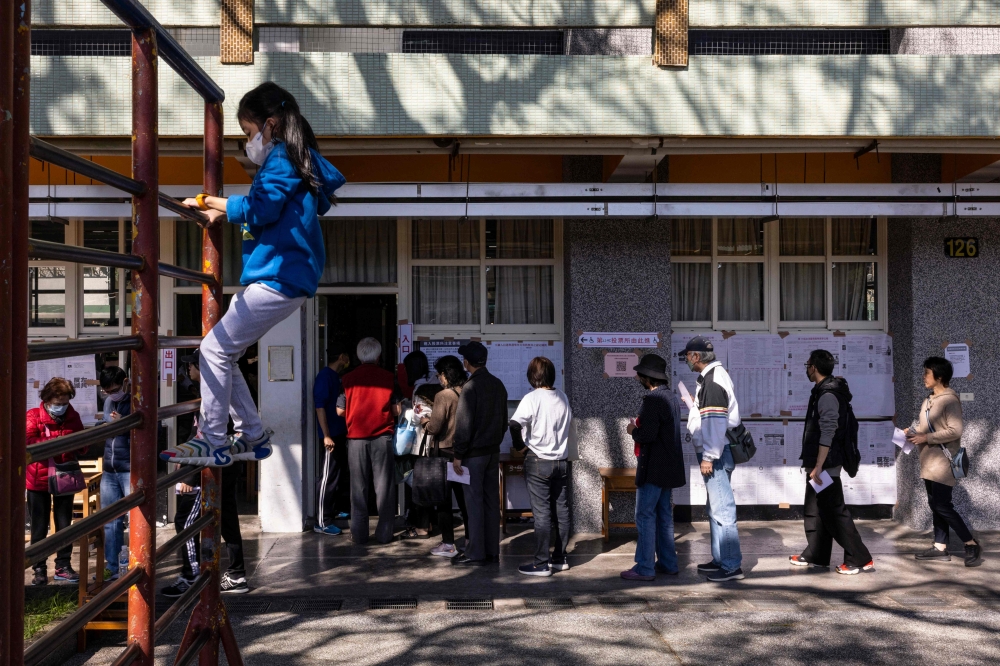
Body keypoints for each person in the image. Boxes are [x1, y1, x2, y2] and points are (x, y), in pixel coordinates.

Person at [162, 81, 346, 468]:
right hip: (282, 276)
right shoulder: (295, 160)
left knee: (212, 350)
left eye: (248, 132)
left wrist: (211, 201)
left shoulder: (283, 158)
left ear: (271, 125)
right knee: (223, 354)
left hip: (278, 276)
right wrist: (222, 210)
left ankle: (212, 438)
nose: (249, 142)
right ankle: (253, 433)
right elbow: (266, 210)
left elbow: (262, 208)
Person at [790, 349, 874, 575]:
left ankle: (860, 557)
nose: (806, 368)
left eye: (807, 364)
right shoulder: (824, 390)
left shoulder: (827, 395)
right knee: (816, 510)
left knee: (835, 512)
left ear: (813, 368)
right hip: (821, 465)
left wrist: (818, 466)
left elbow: (828, 432)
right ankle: (817, 553)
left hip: (825, 466)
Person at [906, 357, 981, 567]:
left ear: (939, 377)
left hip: (943, 463)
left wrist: (926, 438)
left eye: (926, 374)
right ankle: (940, 546)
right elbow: (925, 429)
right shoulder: (928, 400)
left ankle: (970, 542)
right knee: (935, 505)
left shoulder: (949, 400)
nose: (923, 377)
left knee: (942, 505)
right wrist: (911, 433)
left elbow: (955, 430)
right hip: (929, 461)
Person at [681, 336, 744, 582]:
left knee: (723, 508)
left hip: (716, 454)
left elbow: (716, 425)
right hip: (716, 452)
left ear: (696, 357)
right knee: (714, 507)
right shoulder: (710, 378)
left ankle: (731, 566)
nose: (686, 359)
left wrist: (708, 456)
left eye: (687, 355)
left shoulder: (713, 381)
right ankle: (720, 559)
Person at [622, 355, 686, 582]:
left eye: (640, 373)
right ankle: (668, 563)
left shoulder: (653, 400)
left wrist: (632, 430)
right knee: (664, 515)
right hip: (669, 468)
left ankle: (644, 567)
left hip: (653, 468)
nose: (637, 376)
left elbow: (646, 435)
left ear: (647, 377)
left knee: (644, 515)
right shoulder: (671, 397)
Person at [510, 357, 574, 577]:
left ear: (532, 376)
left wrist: (520, 447)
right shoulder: (563, 397)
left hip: (538, 460)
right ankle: (560, 558)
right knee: (562, 511)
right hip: (561, 462)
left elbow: (514, 424)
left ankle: (541, 563)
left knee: (542, 514)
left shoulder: (532, 398)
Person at [337, 337, 400, 544]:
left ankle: (359, 534)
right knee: (384, 488)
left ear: (358, 356)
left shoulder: (347, 378)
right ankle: (384, 534)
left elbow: (339, 410)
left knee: (358, 487)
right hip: (382, 438)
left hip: (356, 439)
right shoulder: (389, 377)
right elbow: (396, 409)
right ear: (379, 356)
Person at [451, 341, 508, 567]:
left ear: (466, 363)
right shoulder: (498, 384)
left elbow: (463, 426)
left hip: (473, 455)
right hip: (493, 452)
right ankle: (492, 551)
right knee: (491, 502)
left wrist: (458, 454)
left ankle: (475, 553)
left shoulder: (470, 388)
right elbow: (504, 422)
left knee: (474, 503)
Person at [26, 378, 86, 585]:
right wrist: (57, 442)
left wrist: (80, 445)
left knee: (64, 524)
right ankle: (39, 568)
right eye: (57, 402)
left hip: (64, 477)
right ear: (47, 399)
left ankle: (63, 565)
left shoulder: (73, 416)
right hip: (38, 478)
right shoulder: (33, 416)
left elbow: (82, 441)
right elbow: (27, 442)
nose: (61, 407)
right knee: (39, 526)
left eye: (65, 402)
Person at [422, 355, 470, 558]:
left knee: (443, 501)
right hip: (464, 452)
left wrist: (424, 420)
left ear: (444, 375)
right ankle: (470, 538)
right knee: (465, 499)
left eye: (439, 374)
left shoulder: (443, 396)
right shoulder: (468, 391)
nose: (438, 378)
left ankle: (449, 543)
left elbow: (434, 427)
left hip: (444, 453)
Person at [314, 342, 352, 536]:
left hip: (338, 433)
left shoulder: (336, 377)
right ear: (341, 357)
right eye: (347, 357)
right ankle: (322, 521)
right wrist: (326, 435)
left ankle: (334, 511)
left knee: (336, 475)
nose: (349, 360)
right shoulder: (324, 377)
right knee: (327, 477)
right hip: (330, 436)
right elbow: (319, 406)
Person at [99, 366, 131, 581]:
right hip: (109, 469)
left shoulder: (137, 401)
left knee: (137, 517)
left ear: (126, 382)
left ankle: (135, 562)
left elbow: (149, 432)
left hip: (130, 467)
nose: (111, 395)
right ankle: (112, 566)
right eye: (107, 392)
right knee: (111, 521)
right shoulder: (108, 401)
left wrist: (125, 423)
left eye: (115, 390)